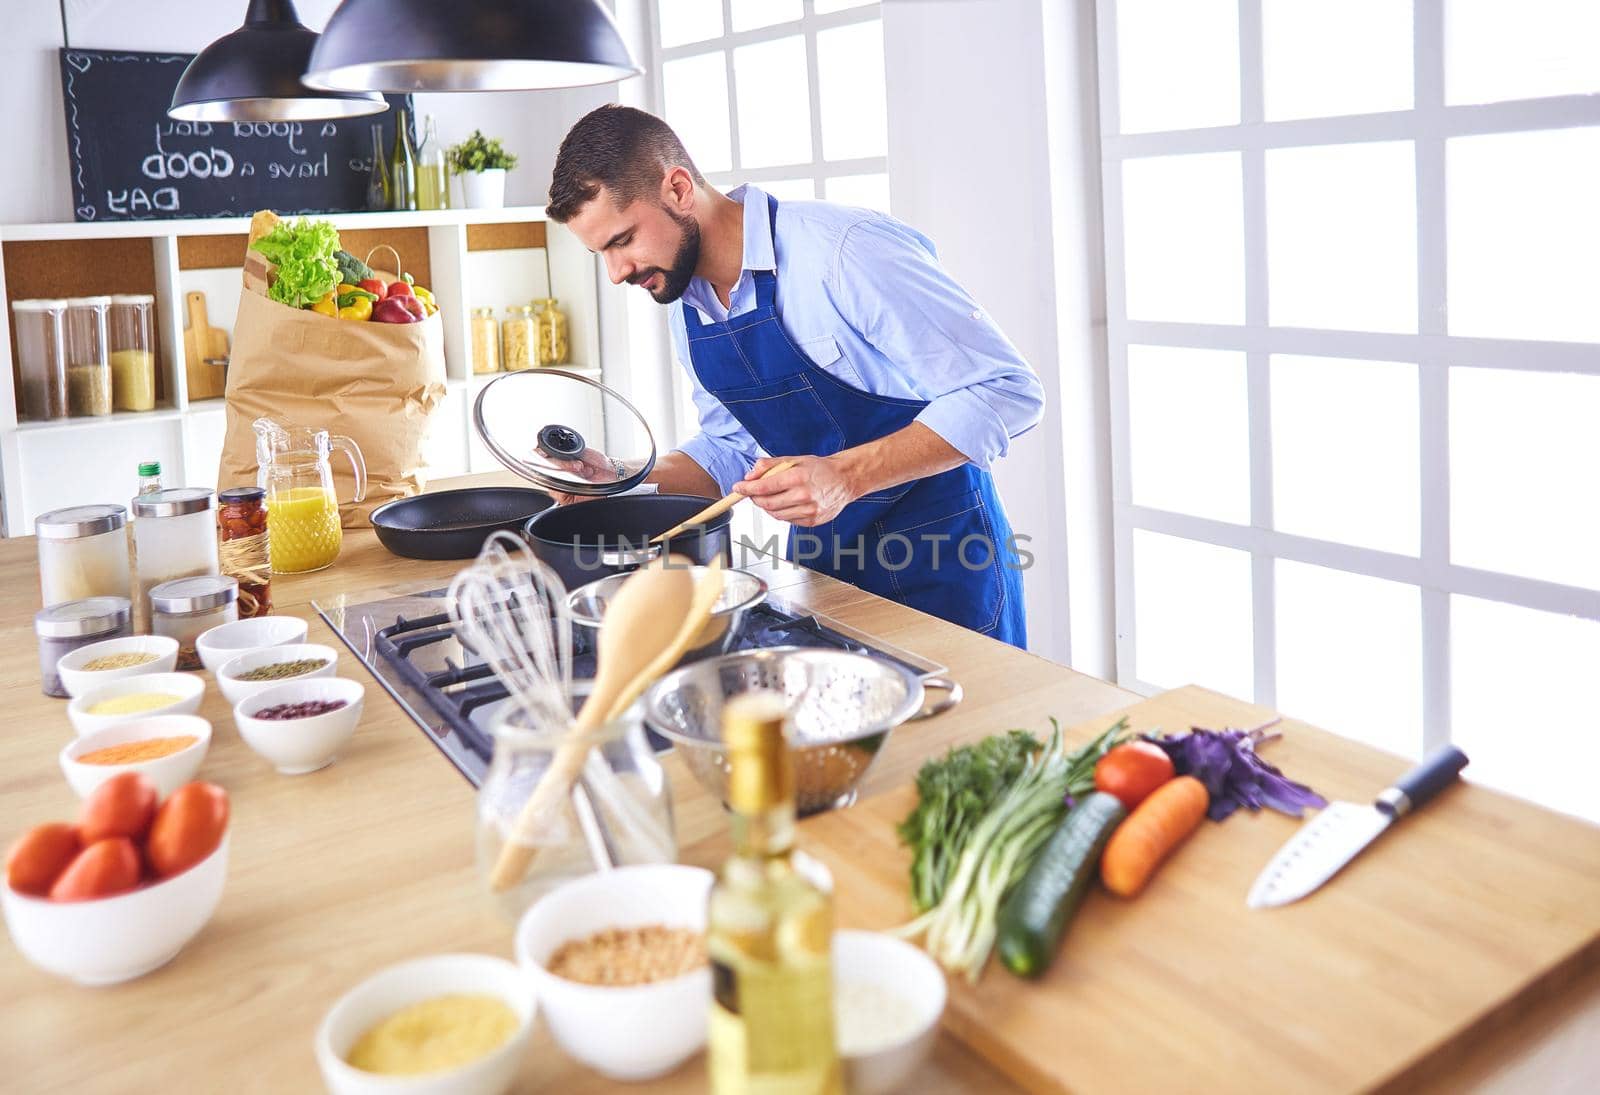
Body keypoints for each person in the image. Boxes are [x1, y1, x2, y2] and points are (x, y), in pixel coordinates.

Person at [544, 105, 1042, 648]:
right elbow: (730, 449)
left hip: (945, 565)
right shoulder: (684, 303)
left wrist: (845, 477)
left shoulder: (844, 251)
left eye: (622, 241)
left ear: (679, 189)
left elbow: (1007, 390)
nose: (617, 273)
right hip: (826, 576)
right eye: (602, 254)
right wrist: (620, 479)